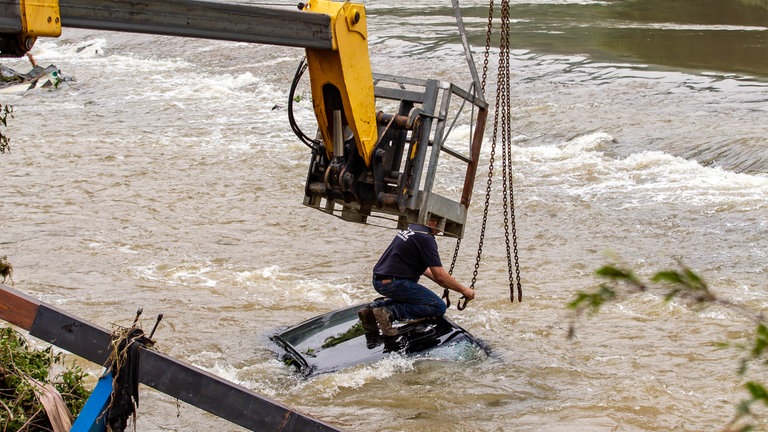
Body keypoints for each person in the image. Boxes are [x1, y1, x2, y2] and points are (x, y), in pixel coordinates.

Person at [358, 219, 475, 338]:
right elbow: (441, 276)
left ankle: (371, 310)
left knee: (415, 299)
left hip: (379, 279)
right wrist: (464, 290)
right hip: (393, 283)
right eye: (440, 223)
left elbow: (430, 272)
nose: (441, 230)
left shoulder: (413, 227)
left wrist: (446, 281)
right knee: (438, 307)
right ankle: (389, 312)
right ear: (431, 221)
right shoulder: (426, 239)